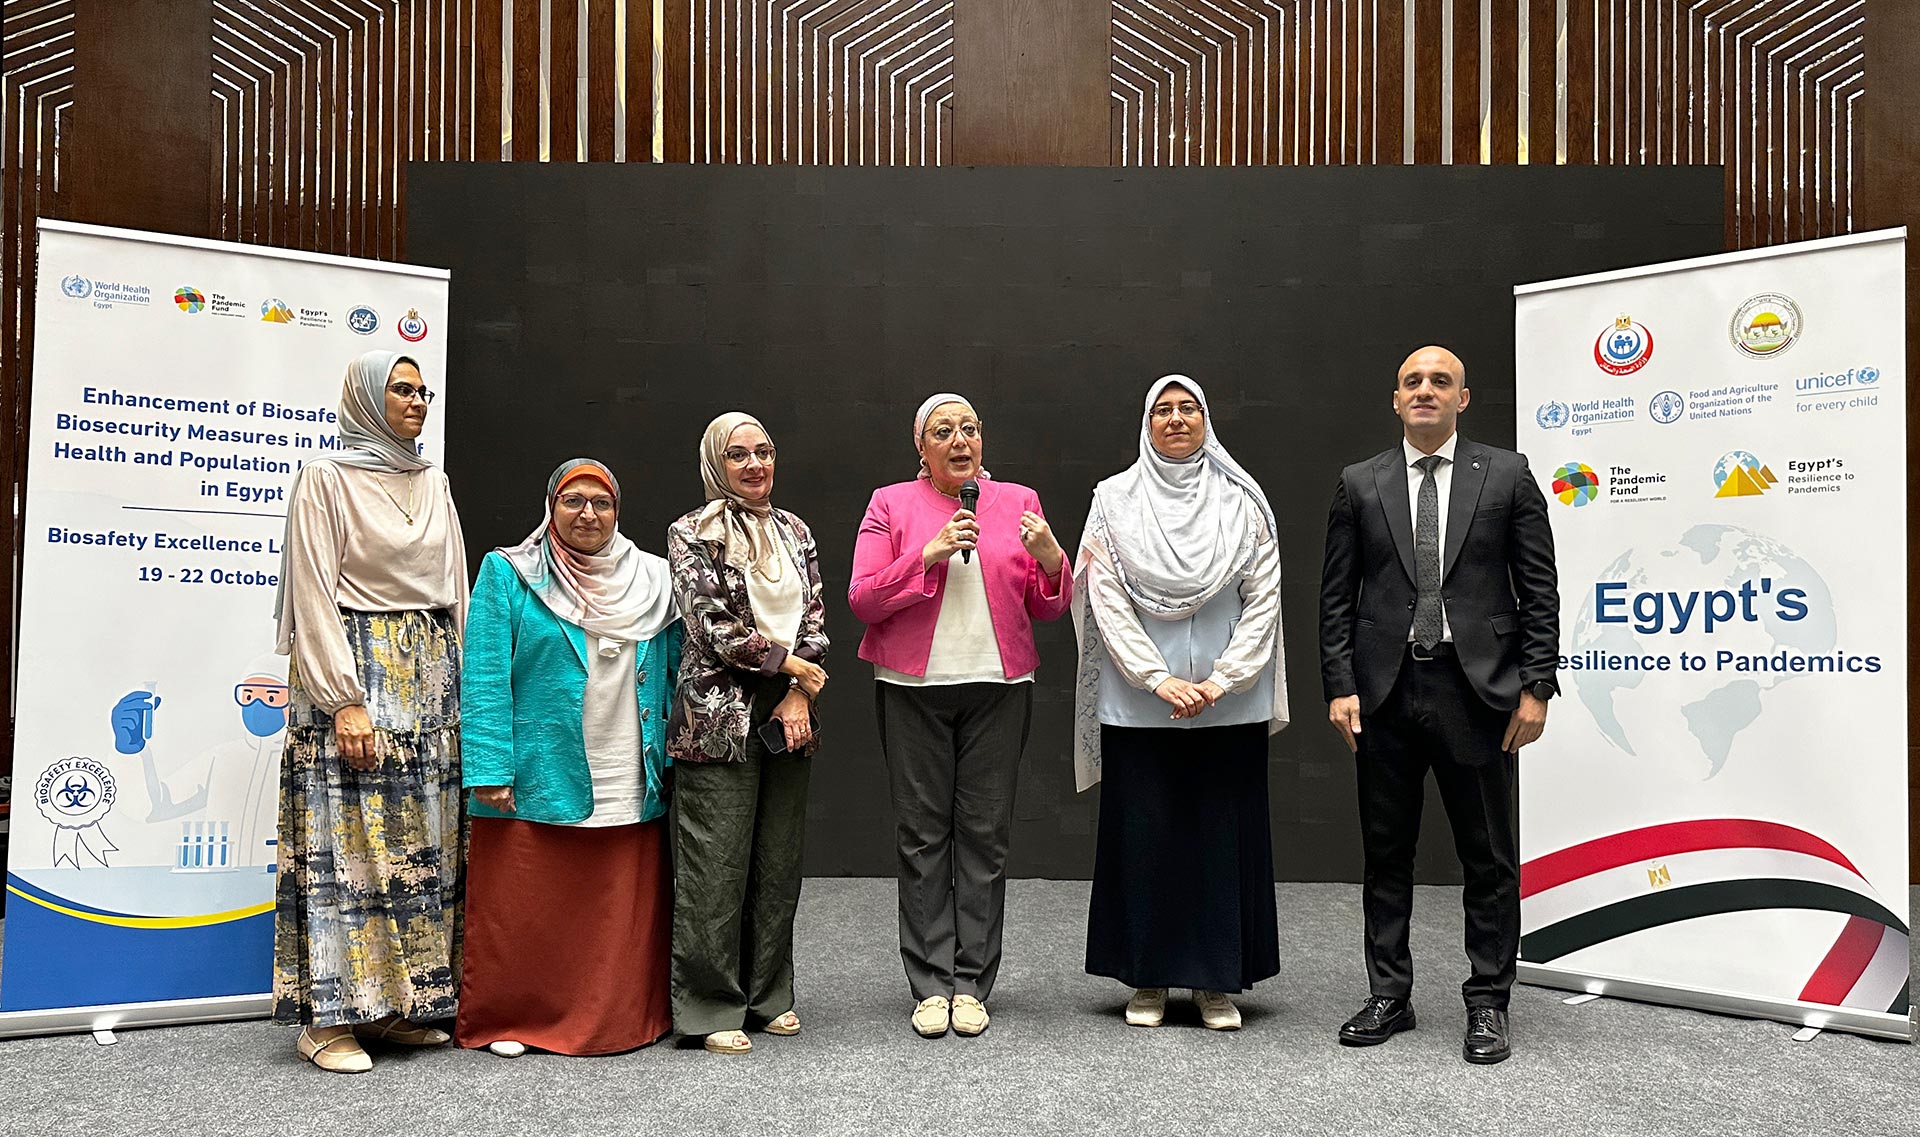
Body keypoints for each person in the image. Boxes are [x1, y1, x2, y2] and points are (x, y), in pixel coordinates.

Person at [1318, 345, 1559, 1065]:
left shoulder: (1508, 475)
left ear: (1463, 398)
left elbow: (1539, 590)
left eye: (1440, 381)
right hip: (1385, 692)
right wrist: (1339, 684)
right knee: (1385, 852)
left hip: (1477, 691)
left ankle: (1488, 1001)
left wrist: (1537, 685)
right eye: (1413, 381)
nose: (1426, 390)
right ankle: (1389, 993)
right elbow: (1337, 597)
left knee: (1487, 855)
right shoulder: (1359, 483)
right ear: (1395, 399)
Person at [848, 393, 1071, 1039]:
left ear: (982, 441)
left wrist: (1053, 556)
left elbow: (1048, 606)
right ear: (921, 447)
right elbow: (863, 598)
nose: (959, 439)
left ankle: (971, 982)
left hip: (999, 687)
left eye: (969, 428)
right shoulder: (890, 502)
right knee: (922, 836)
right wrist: (928, 553)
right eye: (942, 431)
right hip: (912, 687)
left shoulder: (1019, 501)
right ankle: (928, 985)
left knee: (984, 836)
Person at [271, 350, 469, 1074]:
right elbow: (314, 590)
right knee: (349, 844)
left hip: (430, 677)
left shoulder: (433, 479)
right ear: (364, 396)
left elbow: (455, 588)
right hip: (358, 671)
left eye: (424, 390)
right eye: (403, 388)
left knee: (421, 844)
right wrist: (343, 698)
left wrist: (465, 688)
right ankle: (329, 1019)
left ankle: (395, 1007)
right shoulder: (325, 479)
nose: (419, 400)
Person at [1073, 375, 1289, 1031]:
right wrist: (1155, 677)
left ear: (1206, 419)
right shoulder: (1112, 502)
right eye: (1162, 410)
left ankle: (1215, 981)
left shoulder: (1244, 502)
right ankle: (1148, 978)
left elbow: (1265, 599)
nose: (1175, 418)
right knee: (1148, 839)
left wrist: (1222, 679)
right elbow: (1103, 596)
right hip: (1141, 707)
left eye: (1187, 408)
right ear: (1146, 423)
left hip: (1229, 703)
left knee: (1218, 840)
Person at [456, 459, 683, 1058]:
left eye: (602, 503)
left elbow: (677, 671)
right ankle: (513, 1018)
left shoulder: (655, 581)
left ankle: (621, 1017)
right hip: (537, 764)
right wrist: (488, 769)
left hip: (627, 764)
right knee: (529, 903)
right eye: (574, 501)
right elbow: (482, 678)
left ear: (618, 511)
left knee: (613, 902)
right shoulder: (509, 574)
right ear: (551, 507)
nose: (589, 514)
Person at [666, 413, 830, 1056]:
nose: (756, 464)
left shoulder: (796, 531)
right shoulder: (691, 531)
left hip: (790, 712)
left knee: (777, 861)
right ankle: (709, 1006)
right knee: (715, 865)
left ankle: (768, 995)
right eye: (739, 455)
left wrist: (796, 694)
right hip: (718, 716)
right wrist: (790, 666)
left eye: (765, 451)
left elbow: (815, 620)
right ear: (716, 463)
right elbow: (711, 626)